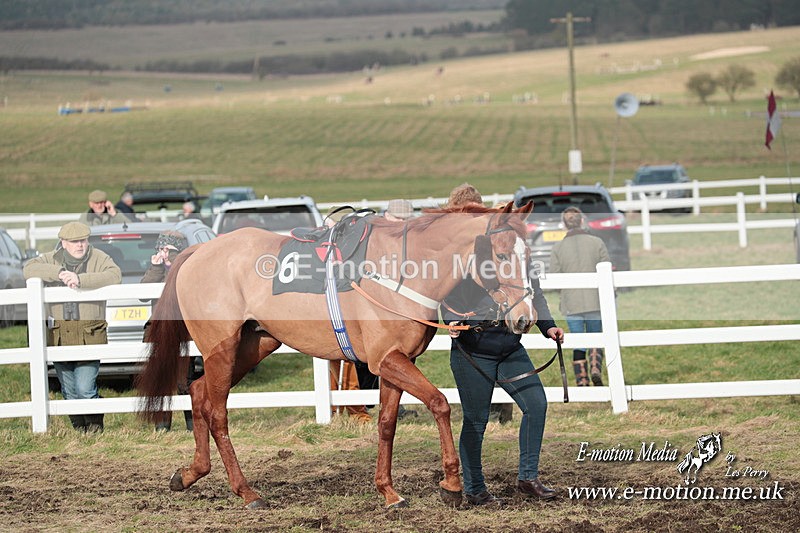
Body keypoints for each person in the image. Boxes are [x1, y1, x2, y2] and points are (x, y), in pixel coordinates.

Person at [442, 183, 564, 505]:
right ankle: (475, 489)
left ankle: (528, 478)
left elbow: (533, 292)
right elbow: (443, 296)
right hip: (473, 352)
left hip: (509, 347)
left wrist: (548, 326)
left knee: (536, 405)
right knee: (476, 421)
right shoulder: (456, 255)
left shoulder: (509, 247)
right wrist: (451, 320)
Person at [23, 221, 122, 432]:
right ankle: (79, 430)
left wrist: (80, 280)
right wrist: (59, 273)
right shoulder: (50, 258)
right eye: (74, 242)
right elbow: (28, 269)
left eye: (83, 240)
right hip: (60, 337)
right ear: (63, 243)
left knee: (85, 388)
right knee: (69, 391)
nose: (80, 245)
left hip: (90, 335)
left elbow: (115, 275)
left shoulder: (99, 257)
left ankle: (94, 428)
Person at [141, 230, 202, 431]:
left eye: (169, 249)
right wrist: (156, 268)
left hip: (182, 330)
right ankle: (162, 425)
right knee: (161, 378)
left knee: (184, 380)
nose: (163, 253)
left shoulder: (189, 268)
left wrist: (175, 260)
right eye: (161, 248)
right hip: (159, 330)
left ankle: (193, 424)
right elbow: (143, 293)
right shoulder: (156, 270)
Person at [549, 206, 611, 387]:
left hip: (571, 302)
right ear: (582, 221)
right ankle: (595, 368)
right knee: (595, 336)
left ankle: (582, 380)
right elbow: (607, 268)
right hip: (595, 300)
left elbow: (554, 276)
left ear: (564, 224)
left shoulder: (558, 248)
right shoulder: (597, 242)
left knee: (578, 341)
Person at [324, 206, 372, 423]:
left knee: (344, 360)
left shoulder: (347, 247)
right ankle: (351, 409)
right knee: (341, 360)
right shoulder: (337, 247)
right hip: (336, 309)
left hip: (344, 307)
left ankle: (346, 408)